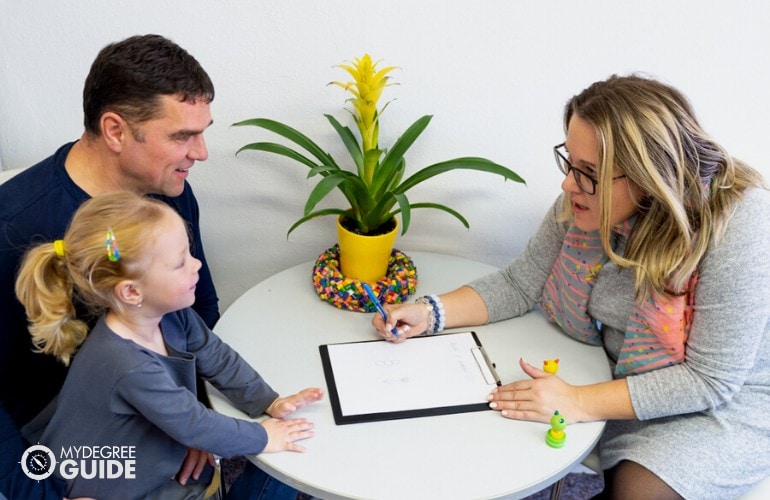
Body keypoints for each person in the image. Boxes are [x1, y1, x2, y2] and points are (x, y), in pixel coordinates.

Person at [372, 74, 770, 499]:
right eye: (570, 163)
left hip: (723, 404)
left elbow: (709, 380)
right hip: (618, 376)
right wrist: (430, 312)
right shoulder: (582, 202)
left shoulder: (741, 224)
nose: (567, 185)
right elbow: (520, 283)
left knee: (643, 490)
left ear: (648, 176)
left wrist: (576, 401)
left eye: (588, 172)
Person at [0, 34, 297, 499]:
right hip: (76, 462)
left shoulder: (166, 193)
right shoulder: (12, 227)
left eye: (202, 131)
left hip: (164, 421)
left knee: (292, 458)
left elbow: (199, 311)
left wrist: (197, 418)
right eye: (182, 135)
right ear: (116, 130)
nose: (200, 152)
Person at [14, 191, 324, 499]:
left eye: (189, 253)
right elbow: (194, 424)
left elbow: (217, 357)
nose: (197, 264)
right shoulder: (126, 365)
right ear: (132, 293)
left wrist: (267, 401)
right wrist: (264, 436)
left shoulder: (174, 316)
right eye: (179, 263)